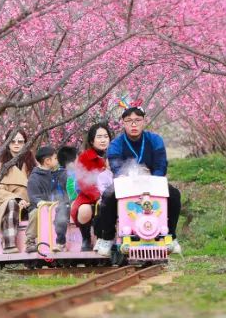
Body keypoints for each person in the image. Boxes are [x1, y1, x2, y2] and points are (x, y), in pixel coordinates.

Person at [95, 107, 182, 256]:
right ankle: (107, 237)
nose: (133, 125)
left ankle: (171, 236)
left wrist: (154, 180)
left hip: (152, 182)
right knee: (108, 196)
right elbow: (116, 166)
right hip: (127, 183)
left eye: (137, 121)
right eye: (129, 121)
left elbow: (161, 165)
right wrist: (126, 177)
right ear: (123, 123)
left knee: (174, 195)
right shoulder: (116, 143)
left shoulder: (154, 140)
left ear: (143, 122)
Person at [0, 129, 35, 253]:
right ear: (7, 143)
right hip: (5, 204)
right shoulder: (1, 165)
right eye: (13, 141)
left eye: (20, 141)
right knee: (11, 204)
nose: (16, 144)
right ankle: (9, 243)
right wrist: (17, 198)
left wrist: (28, 200)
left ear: (25, 143)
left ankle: (35, 242)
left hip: (28, 203)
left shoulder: (31, 163)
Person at [70, 123, 112, 252]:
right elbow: (83, 182)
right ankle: (86, 238)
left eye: (106, 136)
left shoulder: (115, 153)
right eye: (99, 137)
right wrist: (99, 196)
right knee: (84, 211)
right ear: (92, 140)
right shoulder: (84, 157)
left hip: (113, 194)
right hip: (89, 196)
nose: (103, 140)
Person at [25, 145, 70, 253]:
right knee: (36, 212)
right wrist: (42, 203)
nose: (57, 160)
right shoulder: (34, 177)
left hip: (58, 205)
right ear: (47, 161)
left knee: (64, 208)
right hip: (41, 206)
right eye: (55, 158)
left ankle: (60, 241)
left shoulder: (59, 173)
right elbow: (33, 197)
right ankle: (30, 240)